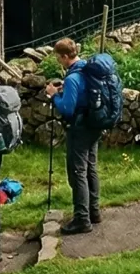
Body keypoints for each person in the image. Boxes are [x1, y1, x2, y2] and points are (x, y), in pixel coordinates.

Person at [44, 38, 111, 234]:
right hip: (94, 124)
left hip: (80, 129)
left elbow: (67, 109)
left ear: (65, 56)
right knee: (91, 168)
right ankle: (94, 211)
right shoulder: (87, 69)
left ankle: (82, 219)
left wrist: (54, 95)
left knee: (78, 172)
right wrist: (65, 91)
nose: (58, 61)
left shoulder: (72, 78)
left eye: (59, 58)